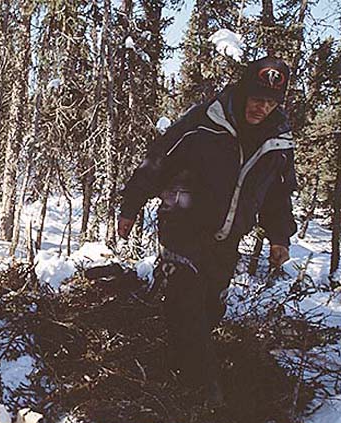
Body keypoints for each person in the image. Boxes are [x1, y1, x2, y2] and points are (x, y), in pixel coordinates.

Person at [117, 56, 297, 397]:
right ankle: (198, 390)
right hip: (183, 227)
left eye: (271, 102)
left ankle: (177, 363)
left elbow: (277, 195)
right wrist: (130, 206)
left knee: (210, 307)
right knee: (185, 302)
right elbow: (157, 160)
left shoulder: (279, 141)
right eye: (257, 98)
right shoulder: (204, 121)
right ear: (243, 91)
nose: (262, 108)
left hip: (226, 238)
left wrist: (279, 238)